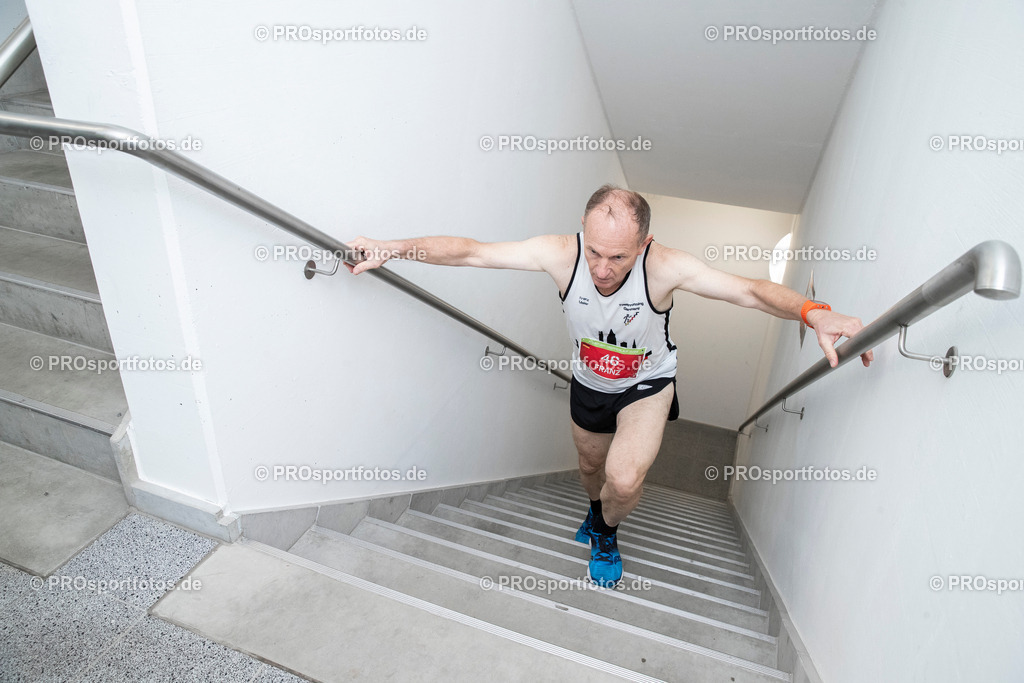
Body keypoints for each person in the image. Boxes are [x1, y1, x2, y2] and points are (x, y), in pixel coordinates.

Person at [345, 185, 873, 586]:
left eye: (618, 257)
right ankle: (593, 510)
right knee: (590, 469)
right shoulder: (559, 253)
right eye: (595, 251)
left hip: (647, 386)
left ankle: (607, 531)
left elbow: (750, 293)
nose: (601, 268)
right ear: (582, 229)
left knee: (622, 478)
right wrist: (395, 247)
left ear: (643, 243)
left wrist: (813, 312)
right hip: (588, 384)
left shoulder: (666, 267)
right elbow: (472, 252)